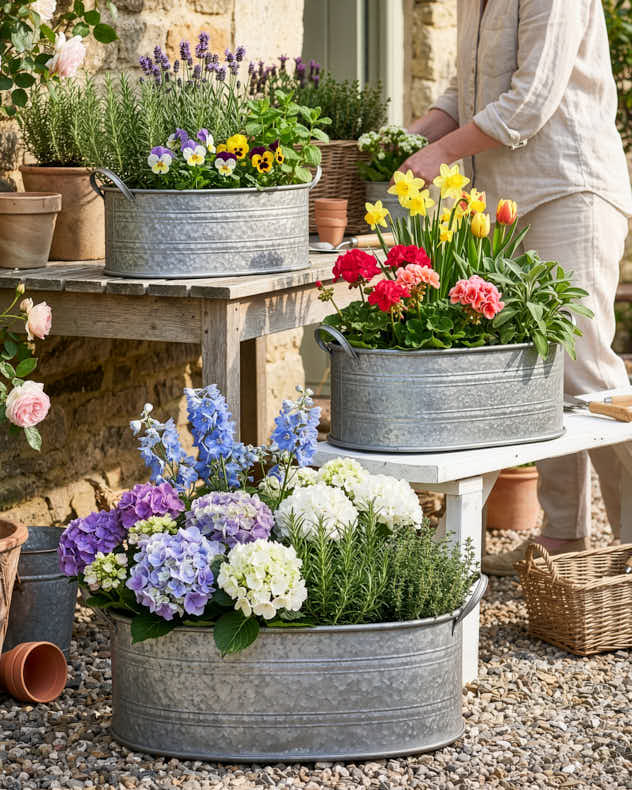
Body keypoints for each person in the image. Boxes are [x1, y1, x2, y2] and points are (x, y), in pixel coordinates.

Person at [402, 0, 632, 574]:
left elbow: (529, 101)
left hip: (568, 188)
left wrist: (442, 153)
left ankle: (631, 539)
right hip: (508, 201)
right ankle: (564, 534)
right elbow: (467, 89)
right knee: (536, 369)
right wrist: (409, 138)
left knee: (585, 371)